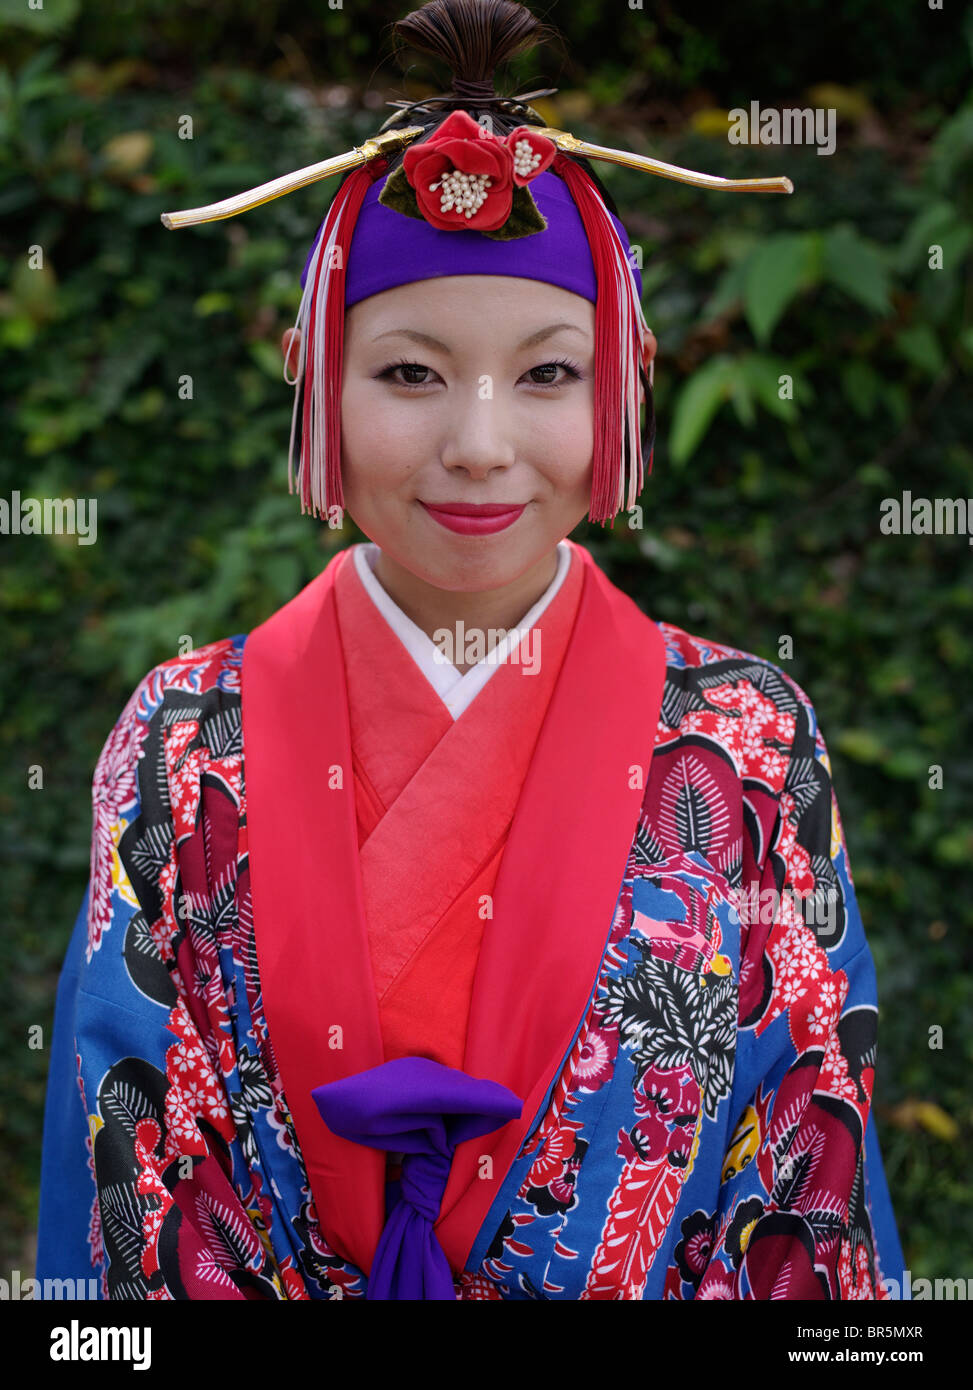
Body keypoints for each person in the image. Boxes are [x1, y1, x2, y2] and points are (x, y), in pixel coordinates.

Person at [36, 0, 905, 1300]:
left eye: (548, 375)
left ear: (621, 387)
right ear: (315, 380)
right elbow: (130, 1184)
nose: (480, 444)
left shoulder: (750, 738)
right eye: (409, 374)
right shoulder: (178, 737)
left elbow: (802, 1171)